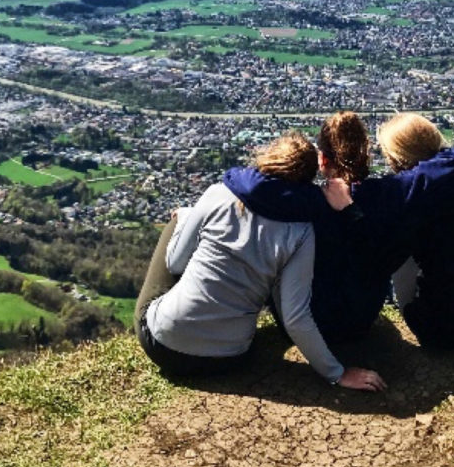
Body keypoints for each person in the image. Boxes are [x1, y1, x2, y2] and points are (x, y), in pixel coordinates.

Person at [134, 131, 387, 391]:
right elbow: (295, 317)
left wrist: (188, 217)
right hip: (230, 357)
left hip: (162, 344)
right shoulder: (301, 229)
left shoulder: (218, 194)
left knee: (180, 220)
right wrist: (337, 373)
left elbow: (175, 263)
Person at [328, 113, 454, 349]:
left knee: (398, 239)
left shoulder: (417, 192)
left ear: (398, 156)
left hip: (448, 328)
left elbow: (376, 243)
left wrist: (348, 208)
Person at [224, 112, 412, 345]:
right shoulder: (390, 195)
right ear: (367, 153)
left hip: (309, 321)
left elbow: (253, 188)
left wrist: (231, 174)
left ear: (323, 160)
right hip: (362, 320)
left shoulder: (310, 201)